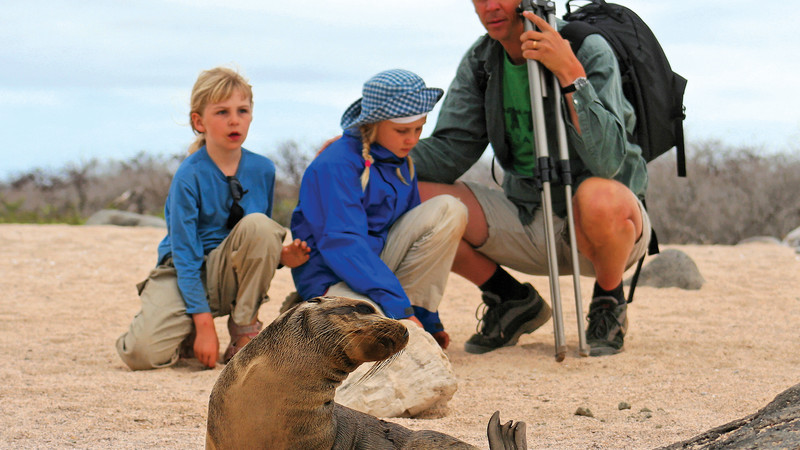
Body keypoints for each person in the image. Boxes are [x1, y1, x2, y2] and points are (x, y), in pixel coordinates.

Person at [411, 1, 652, 357]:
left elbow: (608, 162)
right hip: (524, 212)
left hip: (599, 226)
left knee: (599, 195)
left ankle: (607, 302)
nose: (490, 6)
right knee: (410, 194)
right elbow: (450, 152)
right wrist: (369, 151)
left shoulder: (588, 48)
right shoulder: (482, 60)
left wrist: (570, 73)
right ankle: (512, 300)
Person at [289, 69, 467, 416]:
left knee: (450, 209)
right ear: (372, 124)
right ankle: (320, 310)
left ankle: (415, 321)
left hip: (378, 268)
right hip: (332, 273)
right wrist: (398, 309)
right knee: (377, 339)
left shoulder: (404, 163)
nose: (412, 139)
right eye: (403, 130)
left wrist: (425, 317)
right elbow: (344, 245)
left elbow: (414, 237)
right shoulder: (336, 165)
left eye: (419, 128)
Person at [116, 67, 310, 370]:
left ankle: (244, 332)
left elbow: (254, 239)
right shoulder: (188, 175)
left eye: (242, 110)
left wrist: (280, 256)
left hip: (227, 274)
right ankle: (185, 328)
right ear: (199, 121)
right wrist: (204, 324)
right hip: (184, 272)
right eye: (222, 112)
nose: (234, 120)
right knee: (142, 355)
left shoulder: (264, 170)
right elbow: (184, 253)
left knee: (261, 224)